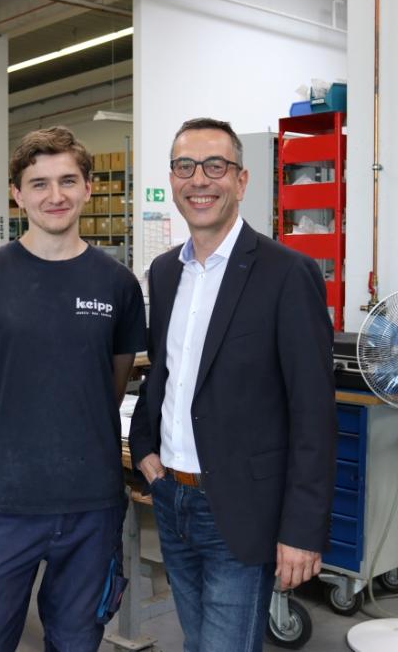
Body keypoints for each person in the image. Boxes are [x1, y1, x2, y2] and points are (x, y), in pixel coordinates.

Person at [129, 117, 336, 651]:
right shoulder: (165, 272)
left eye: (215, 166)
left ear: (241, 181)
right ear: (172, 180)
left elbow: (313, 412)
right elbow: (165, 373)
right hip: (171, 497)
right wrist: (144, 446)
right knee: (197, 642)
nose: (199, 179)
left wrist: (302, 529)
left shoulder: (286, 273)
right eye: (185, 166)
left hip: (241, 507)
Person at [0, 126, 146, 652]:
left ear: (88, 188)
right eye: (39, 184)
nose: (54, 196)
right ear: (18, 194)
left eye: (67, 181)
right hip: (5, 504)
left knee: (77, 641)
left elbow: (112, 382)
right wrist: (0, 450)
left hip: (92, 506)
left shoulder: (117, 284)